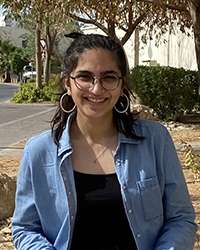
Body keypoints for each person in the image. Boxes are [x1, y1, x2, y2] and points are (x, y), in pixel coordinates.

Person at [12, 32, 197, 250]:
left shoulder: (155, 141)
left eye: (109, 77)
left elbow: (181, 219)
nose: (97, 89)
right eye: (85, 77)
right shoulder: (39, 151)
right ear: (68, 84)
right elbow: (25, 228)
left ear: (121, 85)